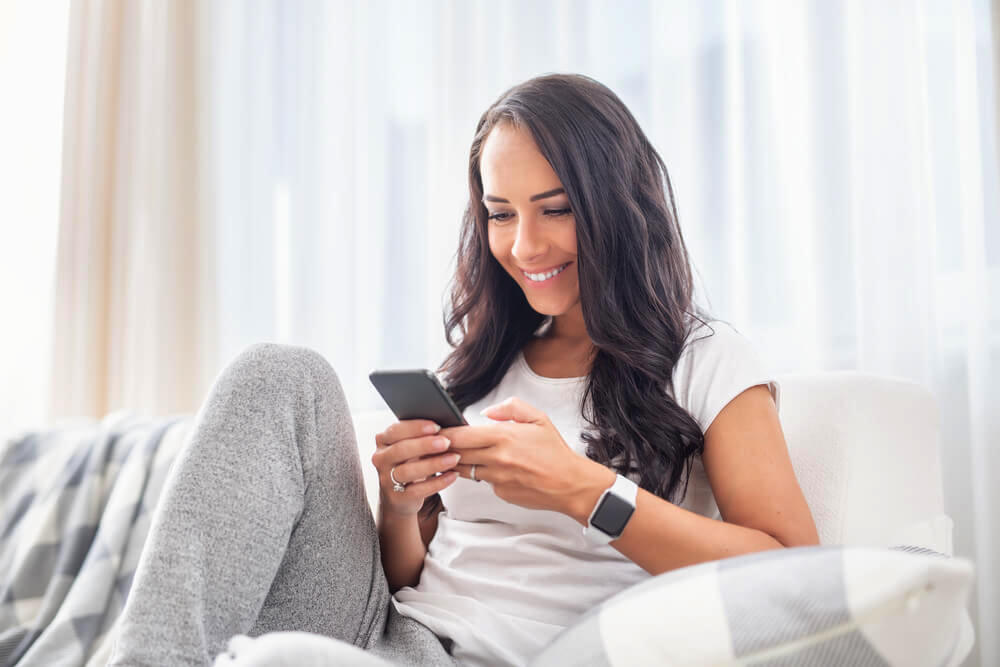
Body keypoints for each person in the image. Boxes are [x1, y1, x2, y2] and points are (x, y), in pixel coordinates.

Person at [107, 72, 818, 667]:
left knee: (276, 660)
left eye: (556, 209)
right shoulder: (485, 363)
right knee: (279, 372)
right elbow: (411, 576)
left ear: (618, 206)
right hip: (384, 627)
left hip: (493, 657)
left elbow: (795, 573)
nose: (524, 244)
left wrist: (582, 488)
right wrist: (401, 504)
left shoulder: (703, 358)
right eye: (499, 213)